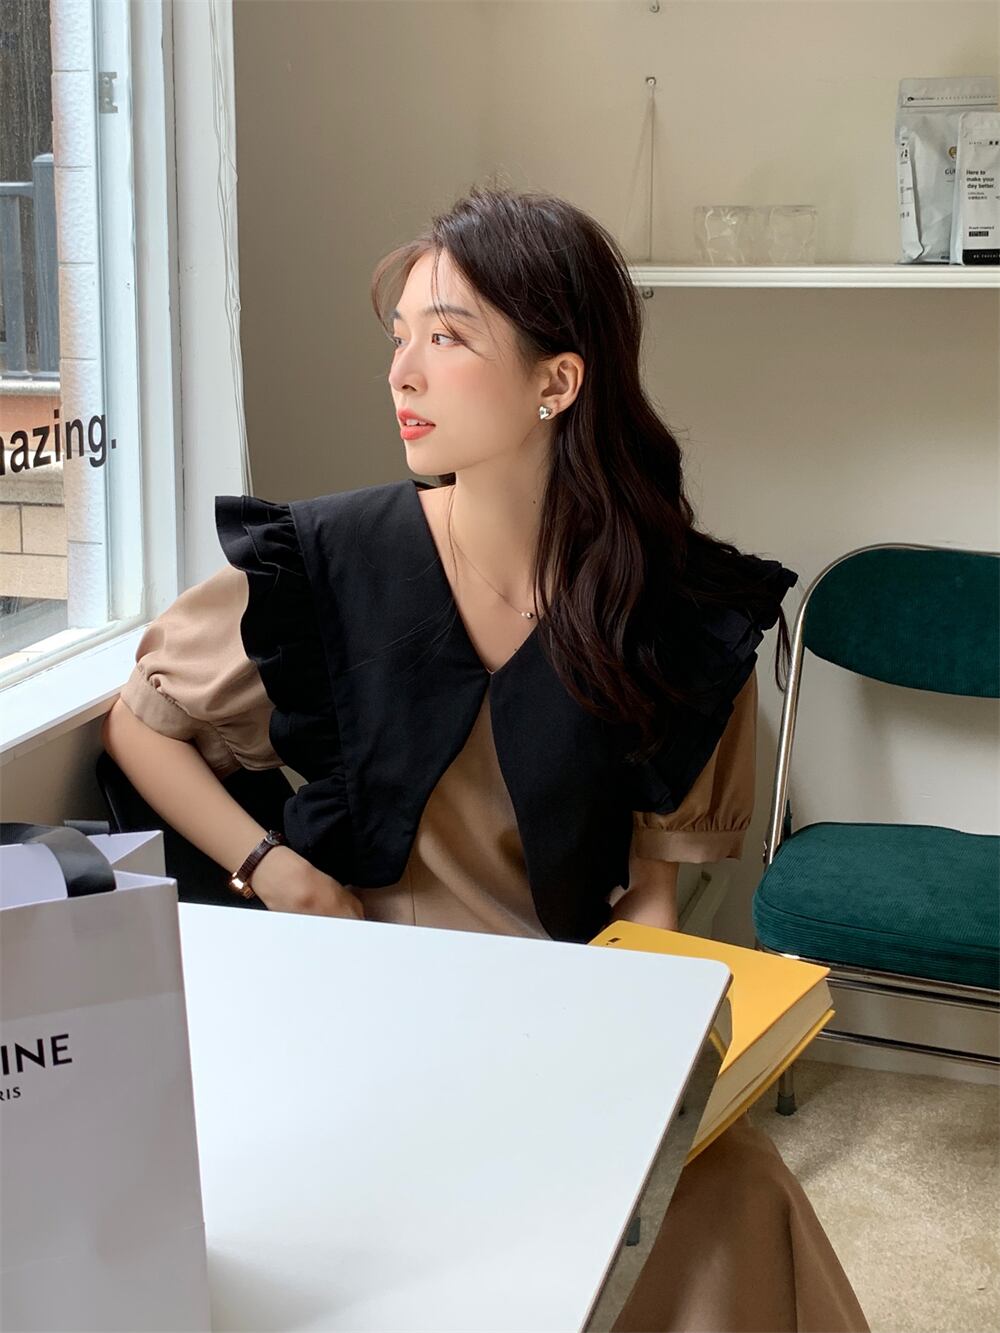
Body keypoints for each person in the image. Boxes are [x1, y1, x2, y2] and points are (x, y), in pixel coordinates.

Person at [101, 185, 869, 1332]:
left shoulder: (674, 609)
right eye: (399, 337)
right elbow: (141, 724)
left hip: (557, 1026)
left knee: (734, 1192)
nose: (402, 374)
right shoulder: (333, 561)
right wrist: (276, 868)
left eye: (447, 339)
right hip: (357, 1018)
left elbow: (653, 902)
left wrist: (638, 1059)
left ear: (556, 381)